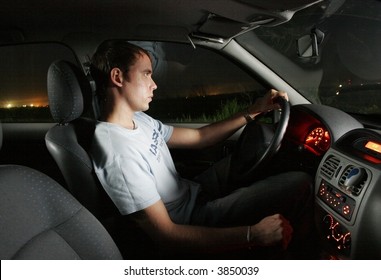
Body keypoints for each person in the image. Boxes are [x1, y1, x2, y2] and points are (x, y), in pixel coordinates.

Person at [89, 40, 316, 258]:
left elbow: (200, 137)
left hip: (194, 190)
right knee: (301, 183)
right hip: (192, 219)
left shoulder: (139, 120)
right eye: (146, 74)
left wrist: (253, 111)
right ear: (118, 77)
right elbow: (167, 236)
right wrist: (253, 234)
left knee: (255, 154)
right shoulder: (117, 152)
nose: (154, 84)